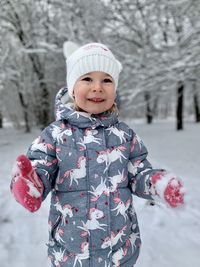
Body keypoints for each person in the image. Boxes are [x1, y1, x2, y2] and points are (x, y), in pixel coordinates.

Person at [10, 42, 185, 267]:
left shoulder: (124, 135)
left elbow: (139, 173)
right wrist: (30, 185)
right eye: (87, 79)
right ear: (72, 88)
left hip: (120, 253)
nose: (97, 87)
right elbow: (41, 170)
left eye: (107, 80)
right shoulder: (54, 135)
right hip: (71, 253)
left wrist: (157, 183)